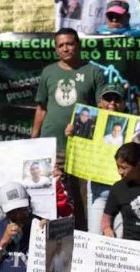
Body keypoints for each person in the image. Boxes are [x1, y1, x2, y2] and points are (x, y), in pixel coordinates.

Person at [32, 28, 106, 227]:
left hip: (81, 148)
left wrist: (82, 128)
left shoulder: (94, 72)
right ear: (56, 49)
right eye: (61, 45)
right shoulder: (48, 72)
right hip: (51, 146)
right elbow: (41, 107)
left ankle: (80, 240)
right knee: (51, 196)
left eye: (70, 44)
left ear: (78, 45)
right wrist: (34, 138)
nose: (66, 48)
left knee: (81, 198)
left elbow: (103, 109)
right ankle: (52, 236)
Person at [83, 82, 128, 236]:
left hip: (123, 188)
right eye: (108, 99)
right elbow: (79, 149)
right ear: (99, 103)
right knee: (94, 235)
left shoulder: (134, 128)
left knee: (120, 237)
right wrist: (70, 133)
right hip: (98, 188)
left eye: (117, 99)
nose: (112, 103)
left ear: (123, 104)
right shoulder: (89, 124)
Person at [102, 142, 140, 242]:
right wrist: (107, 229)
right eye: (118, 167)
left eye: (124, 168)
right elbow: (107, 217)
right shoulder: (118, 188)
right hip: (131, 248)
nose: (120, 172)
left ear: (139, 165)